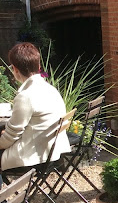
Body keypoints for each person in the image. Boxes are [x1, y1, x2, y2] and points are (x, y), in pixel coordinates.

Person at [0, 42, 70, 182]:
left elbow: (12, 135)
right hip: (51, 153)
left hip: (32, 158)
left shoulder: (26, 96)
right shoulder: (50, 89)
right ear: (38, 67)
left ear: (15, 69)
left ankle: (3, 196)